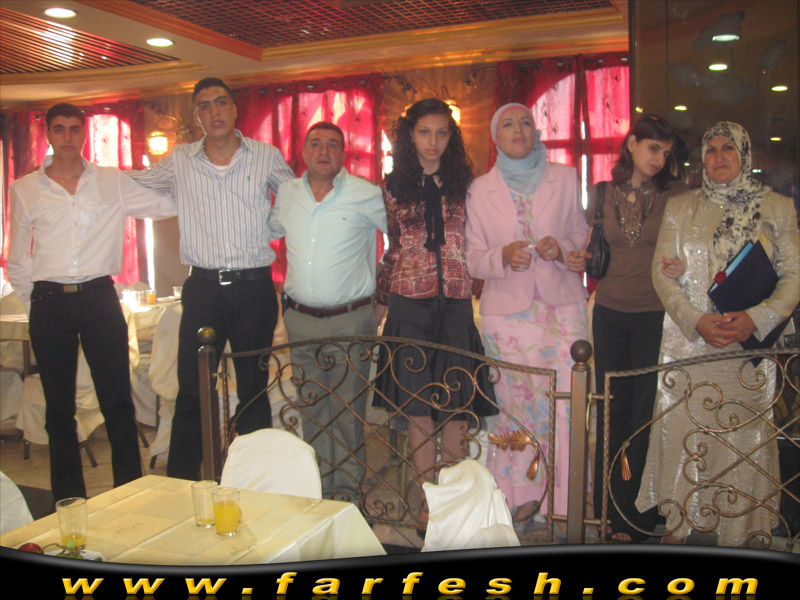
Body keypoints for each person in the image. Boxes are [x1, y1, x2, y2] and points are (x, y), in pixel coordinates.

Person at [635, 121, 800, 546]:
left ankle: (740, 530)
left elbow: (793, 275)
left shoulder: (777, 207)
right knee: (684, 433)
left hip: (747, 347)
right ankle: (679, 523)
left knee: (742, 436)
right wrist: (696, 320)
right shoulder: (682, 206)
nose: (720, 156)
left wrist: (758, 318)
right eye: (711, 149)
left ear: (744, 155)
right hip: (690, 345)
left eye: (730, 148)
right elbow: (662, 273)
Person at [7, 102, 176, 501]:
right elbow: (17, 261)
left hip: (100, 298)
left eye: (74, 129)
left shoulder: (111, 181)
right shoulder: (25, 189)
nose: (67, 136)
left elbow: (165, 206)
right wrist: (38, 307)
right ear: (48, 134)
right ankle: (69, 500)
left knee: (117, 403)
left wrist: (191, 180)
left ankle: (129, 493)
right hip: (49, 301)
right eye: (59, 129)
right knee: (58, 411)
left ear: (84, 134)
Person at [131, 77, 295, 480]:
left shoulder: (265, 156)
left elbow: (298, 202)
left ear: (234, 109)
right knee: (193, 389)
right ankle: (183, 485)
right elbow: (132, 186)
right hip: (203, 289)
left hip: (254, 288)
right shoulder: (180, 160)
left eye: (220, 102)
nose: (214, 112)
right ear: (196, 116)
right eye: (204, 106)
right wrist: (86, 176)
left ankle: (255, 482)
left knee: (254, 388)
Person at [465, 102, 588, 529]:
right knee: (512, 407)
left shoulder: (566, 177)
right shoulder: (479, 189)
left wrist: (563, 248)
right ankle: (518, 493)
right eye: (508, 124)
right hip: (507, 315)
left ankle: (564, 498)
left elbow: (581, 234)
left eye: (526, 122)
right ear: (495, 137)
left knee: (565, 403)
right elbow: (473, 258)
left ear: (537, 131)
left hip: (562, 310)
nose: (518, 129)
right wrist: (502, 255)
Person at [374, 98, 497, 520]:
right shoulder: (392, 187)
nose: (433, 141)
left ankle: (453, 495)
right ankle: (429, 498)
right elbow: (394, 248)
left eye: (442, 133)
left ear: (451, 137)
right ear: (410, 136)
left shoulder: (467, 186)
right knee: (417, 406)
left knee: (456, 404)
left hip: (457, 303)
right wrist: (382, 299)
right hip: (409, 303)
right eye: (425, 132)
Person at [571, 114, 687, 542]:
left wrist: (683, 265)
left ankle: (639, 516)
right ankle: (609, 510)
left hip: (655, 312)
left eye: (666, 153)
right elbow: (589, 245)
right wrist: (580, 258)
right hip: (610, 312)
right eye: (653, 148)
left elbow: (689, 247)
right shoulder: (602, 193)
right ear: (632, 144)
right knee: (612, 410)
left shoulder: (676, 195)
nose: (659, 159)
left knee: (646, 414)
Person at [269, 121, 386, 502]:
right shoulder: (288, 194)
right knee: (311, 407)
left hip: (351, 319)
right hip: (300, 321)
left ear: (343, 154)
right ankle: (320, 490)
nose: (324, 151)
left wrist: (385, 294)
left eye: (333, 145)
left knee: (347, 411)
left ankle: (348, 495)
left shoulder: (366, 193)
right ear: (303, 152)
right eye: (316, 144)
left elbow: (403, 240)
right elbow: (266, 231)